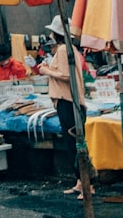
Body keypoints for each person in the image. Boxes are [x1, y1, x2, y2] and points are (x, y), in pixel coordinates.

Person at [36, 15, 90, 198]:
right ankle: (80, 182)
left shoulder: (63, 50)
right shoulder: (68, 49)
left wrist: (45, 70)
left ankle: (87, 184)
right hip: (67, 101)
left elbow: (67, 76)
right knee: (72, 142)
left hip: (69, 102)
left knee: (75, 143)